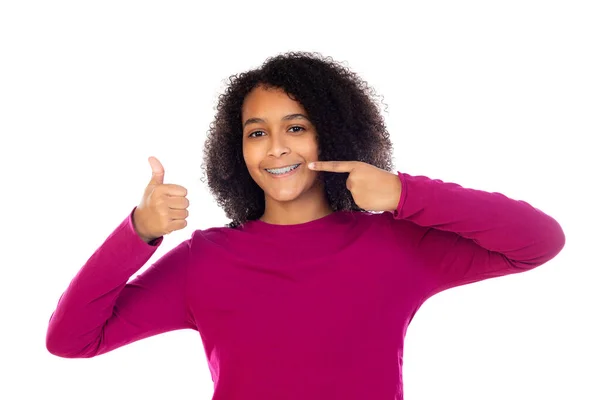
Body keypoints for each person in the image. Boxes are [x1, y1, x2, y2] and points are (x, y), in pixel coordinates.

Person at [45, 51, 566, 399]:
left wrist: (405, 193)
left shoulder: (394, 245)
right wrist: (137, 232)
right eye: (256, 132)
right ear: (237, 150)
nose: (275, 147)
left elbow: (538, 241)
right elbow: (70, 340)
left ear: (332, 135)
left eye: (296, 127)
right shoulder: (205, 260)